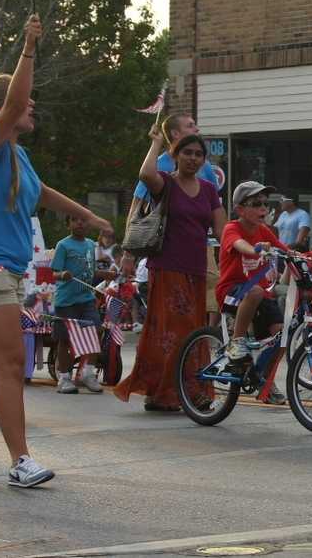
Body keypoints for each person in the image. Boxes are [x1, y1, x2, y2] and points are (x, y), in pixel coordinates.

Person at [0, 15, 112, 488]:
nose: (31, 105)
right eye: (22, 101)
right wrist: (29, 47)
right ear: (1, 110)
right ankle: (21, 460)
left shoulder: (18, 155)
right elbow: (15, 99)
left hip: (5, 272)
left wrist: (90, 218)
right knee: (14, 364)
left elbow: (44, 193)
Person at [114, 125, 225, 411]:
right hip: (166, 269)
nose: (193, 158)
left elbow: (223, 231)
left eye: (199, 154)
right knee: (171, 333)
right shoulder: (166, 183)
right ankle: (171, 391)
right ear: (175, 155)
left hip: (196, 272)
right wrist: (156, 144)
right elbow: (145, 175)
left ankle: (183, 390)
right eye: (187, 152)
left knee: (192, 332)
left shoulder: (210, 191)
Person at [217, 181, 289, 404]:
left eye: (266, 204)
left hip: (256, 294)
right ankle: (236, 342)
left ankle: (263, 379)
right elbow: (240, 246)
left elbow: (285, 250)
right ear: (240, 209)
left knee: (281, 334)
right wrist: (255, 249)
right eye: (257, 204)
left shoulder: (263, 230)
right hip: (232, 291)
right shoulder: (232, 228)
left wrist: (311, 256)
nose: (263, 210)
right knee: (256, 291)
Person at [52, 215, 116, 394]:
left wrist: (105, 274)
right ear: (68, 224)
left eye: (83, 220)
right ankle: (64, 378)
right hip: (66, 301)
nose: (79, 222)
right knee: (65, 339)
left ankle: (87, 373)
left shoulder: (90, 245)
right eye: (74, 219)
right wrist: (62, 274)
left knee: (95, 331)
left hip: (86, 299)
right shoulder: (63, 245)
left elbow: (90, 270)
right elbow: (52, 273)